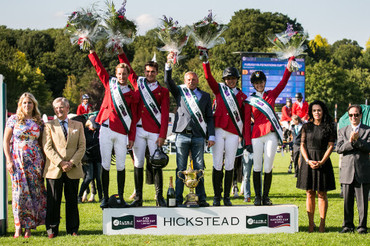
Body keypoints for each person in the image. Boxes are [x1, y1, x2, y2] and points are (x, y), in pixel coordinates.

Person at [118, 49, 170, 207]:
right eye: (147, 71)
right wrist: (121, 50)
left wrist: (163, 135)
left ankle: (159, 196)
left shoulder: (163, 91)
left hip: (154, 131)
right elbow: (127, 66)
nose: (149, 74)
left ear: (157, 73)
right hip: (139, 130)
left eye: (153, 72)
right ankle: (138, 198)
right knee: (138, 163)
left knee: (156, 163)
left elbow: (166, 114)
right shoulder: (137, 83)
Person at [88, 49, 138, 208]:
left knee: (121, 165)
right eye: (119, 73)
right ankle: (104, 197)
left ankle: (121, 197)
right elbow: (99, 69)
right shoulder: (110, 84)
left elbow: (134, 118)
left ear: (127, 75)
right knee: (105, 164)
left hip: (122, 131)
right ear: (116, 74)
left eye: (124, 74)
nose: (122, 76)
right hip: (106, 128)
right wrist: (92, 52)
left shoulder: (132, 93)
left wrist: (131, 137)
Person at [164, 53, 215, 207]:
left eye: (193, 79)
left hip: (199, 136)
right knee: (180, 168)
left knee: (199, 168)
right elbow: (167, 80)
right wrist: (168, 64)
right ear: (184, 81)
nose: (191, 82)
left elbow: (209, 117)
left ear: (197, 80)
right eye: (188, 80)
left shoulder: (205, 96)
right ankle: (178, 199)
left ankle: (201, 197)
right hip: (181, 136)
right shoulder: (179, 91)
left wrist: (211, 135)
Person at [202, 58, 252, 206]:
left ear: (237, 79)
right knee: (217, 163)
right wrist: (206, 62)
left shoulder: (243, 96)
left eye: (233, 78)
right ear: (224, 80)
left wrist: (244, 138)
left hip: (233, 132)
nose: (230, 81)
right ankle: (217, 196)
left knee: (230, 164)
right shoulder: (218, 89)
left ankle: (226, 197)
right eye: (228, 79)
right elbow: (208, 77)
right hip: (218, 130)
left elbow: (245, 118)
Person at [248, 57, 294, 206]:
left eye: (261, 82)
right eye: (256, 83)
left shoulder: (271, 95)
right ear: (254, 85)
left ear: (264, 82)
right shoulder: (250, 100)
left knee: (268, 166)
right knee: (256, 166)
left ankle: (265, 197)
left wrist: (289, 66)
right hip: (256, 135)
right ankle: (257, 197)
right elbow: (246, 120)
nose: (259, 84)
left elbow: (283, 82)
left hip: (271, 134)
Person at [3, 92, 47, 238]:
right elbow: (5, 142)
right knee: (19, 194)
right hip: (17, 160)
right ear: (20, 105)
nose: (27, 105)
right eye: (24, 103)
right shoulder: (13, 120)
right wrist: (9, 160)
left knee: (34, 193)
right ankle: (18, 226)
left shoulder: (39, 121)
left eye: (29, 103)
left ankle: (29, 227)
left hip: (35, 161)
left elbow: (42, 143)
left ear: (34, 105)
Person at [43, 97, 86, 238]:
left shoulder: (78, 125)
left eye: (61, 107)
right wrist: (61, 163)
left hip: (73, 169)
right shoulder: (49, 125)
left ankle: (73, 229)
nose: (58, 110)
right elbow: (47, 147)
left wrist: (71, 163)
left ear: (68, 108)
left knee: (72, 201)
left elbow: (82, 147)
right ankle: (52, 230)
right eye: (56, 107)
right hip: (55, 169)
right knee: (53, 201)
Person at [296, 100, 336, 233]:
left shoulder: (329, 126)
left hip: (323, 161)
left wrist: (322, 161)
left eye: (319, 110)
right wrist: (307, 160)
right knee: (309, 193)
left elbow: (331, 145)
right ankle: (311, 224)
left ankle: (322, 223)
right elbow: (302, 145)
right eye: (314, 110)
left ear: (323, 111)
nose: (317, 112)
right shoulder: (306, 127)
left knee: (322, 194)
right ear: (311, 112)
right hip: (308, 162)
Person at [337, 105, 370, 234]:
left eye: (356, 114)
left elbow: (368, 147)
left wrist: (358, 141)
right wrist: (351, 142)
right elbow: (339, 148)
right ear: (348, 116)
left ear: (360, 115)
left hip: (362, 171)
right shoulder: (342, 130)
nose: (354, 117)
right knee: (347, 202)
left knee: (362, 202)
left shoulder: (368, 130)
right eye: (351, 115)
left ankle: (362, 226)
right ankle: (347, 226)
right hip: (347, 171)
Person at [78, 116, 102, 203]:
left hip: (98, 157)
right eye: (93, 125)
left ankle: (101, 197)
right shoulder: (84, 132)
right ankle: (79, 196)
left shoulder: (98, 131)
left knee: (99, 179)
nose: (95, 127)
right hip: (87, 158)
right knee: (89, 177)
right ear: (89, 123)